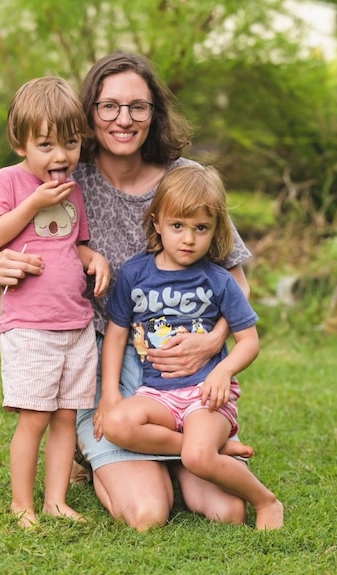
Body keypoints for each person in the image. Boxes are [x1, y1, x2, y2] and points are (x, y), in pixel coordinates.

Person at [0, 52, 256, 531]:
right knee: (147, 514)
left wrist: (214, 340)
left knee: (227, 511)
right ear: (88, 112)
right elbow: (18, 234)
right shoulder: (64, 174)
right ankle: (154, 453)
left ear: (155, 113)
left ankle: (182, 450)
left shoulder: (186, 178)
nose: (123, 119)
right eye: (108, 106)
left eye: (138, 106)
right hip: (95, 355)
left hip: (180, 368)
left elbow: (233, 277)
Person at [96, 164, 283, 530]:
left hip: (205, 396)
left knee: (223, 502)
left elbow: (249, 342)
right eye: (178, 226)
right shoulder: (135, 274)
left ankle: (266, 501)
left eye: (201, 228)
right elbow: (116, 336)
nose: (188, 239)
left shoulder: (217, 280)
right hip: (157, 395)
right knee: (118, 422)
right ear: (156, 222)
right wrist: (109, 396)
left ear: (216, 231)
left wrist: (224, 370)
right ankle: (211, 450)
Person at [0, 76, 110, 528]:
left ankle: (56, 500)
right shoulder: (9, 181)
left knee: (65, 417)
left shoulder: (73, 189)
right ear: (21, 143)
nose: (60, 157)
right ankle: (22, 504)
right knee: (34, 417)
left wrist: (96, 259)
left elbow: (75, 244)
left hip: (75, 323)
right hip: (30, 326)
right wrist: (33, 203)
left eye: (71, 144)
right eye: (47, 144)